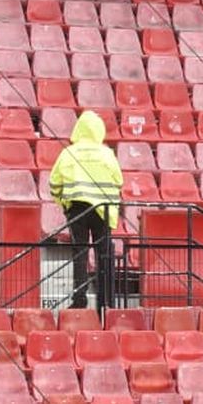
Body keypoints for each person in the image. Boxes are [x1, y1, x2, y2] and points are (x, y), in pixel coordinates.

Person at [49, 111, 123, 312]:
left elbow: (54, 183)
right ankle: (106, 300)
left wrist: (63, 203)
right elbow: (118, 181)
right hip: (103, 211)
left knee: (80, 254)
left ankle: (80, 299)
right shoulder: (107, 153)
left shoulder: (68, 153)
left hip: (77, 209)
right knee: (104, 255)